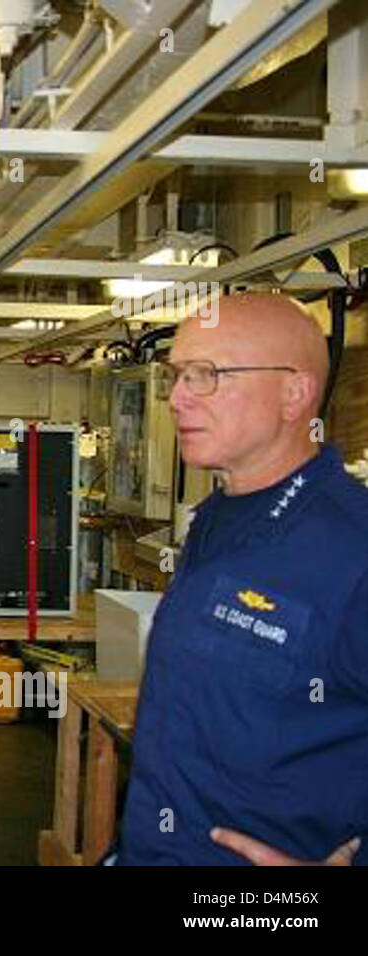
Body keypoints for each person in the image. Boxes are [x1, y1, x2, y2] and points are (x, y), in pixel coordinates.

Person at [118, 292, 368, 866]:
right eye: (177, 374)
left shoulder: (351, 552)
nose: (178, 397)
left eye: (207, 374)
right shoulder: (215, 523)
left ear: (293, 393)